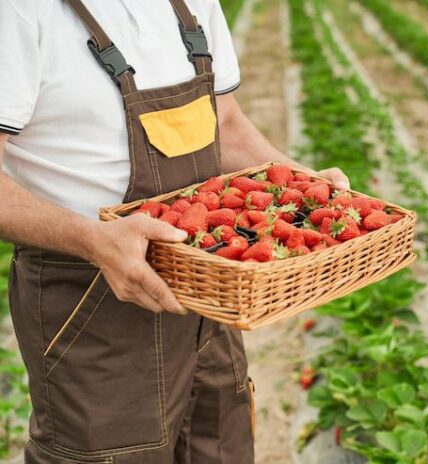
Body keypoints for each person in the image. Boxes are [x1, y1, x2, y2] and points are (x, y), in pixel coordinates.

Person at [0, 0, 349, 462]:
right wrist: (94, 240)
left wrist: (306, 184)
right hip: (93, 299)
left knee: (218, 443)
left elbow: (225, 125)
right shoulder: (21, 13)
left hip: (207, 282)